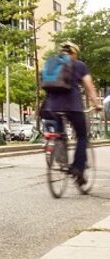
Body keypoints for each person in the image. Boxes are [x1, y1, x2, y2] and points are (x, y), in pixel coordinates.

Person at [41, 41, 100, 187]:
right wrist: (96, 103)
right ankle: (78, 168)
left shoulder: (52, 63)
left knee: (60, 134)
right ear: (74, 52)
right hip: (73, 106)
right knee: (81, 136)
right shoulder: (79, 65)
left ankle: (62, 162)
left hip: (52, 106)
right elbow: (89, 86)